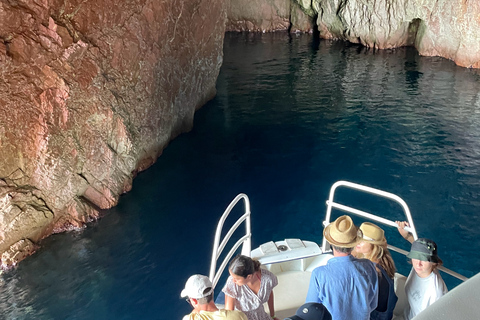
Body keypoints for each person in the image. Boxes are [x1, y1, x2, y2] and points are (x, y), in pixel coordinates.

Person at [306, 215, 379, 320]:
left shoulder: (319, 274)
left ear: (331, 242)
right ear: (354, 244)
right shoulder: (369, 266)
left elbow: (310, 311)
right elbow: (372, 304)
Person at [396, 221, 448, 320]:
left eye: (424, 259)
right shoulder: (421, 267)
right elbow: (419, 248)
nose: (418, 263)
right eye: (415, 257)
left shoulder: (436, 293)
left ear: (434, 263)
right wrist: (407, 236)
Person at [353, 222, 398, 320]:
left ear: (373, 245)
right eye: (357, 238)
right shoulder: (384, 262)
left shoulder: (369, 271)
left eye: (362, 240)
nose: (358, 242)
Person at [223, 255, 279, 320]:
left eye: (237, 279)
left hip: (261, 316)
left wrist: (273, 316)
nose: (233, 280)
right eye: (232, 276)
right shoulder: (232, 284)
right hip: (242, 318)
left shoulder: (268, 279)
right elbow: (229, 313)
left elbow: (269, 294)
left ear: (249, 276)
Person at [181, 274, 247, 320]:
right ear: (212, 292)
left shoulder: (190, 318)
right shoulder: (238, 316)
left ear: (194, 301)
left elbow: (195, 311)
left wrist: (196, 305)